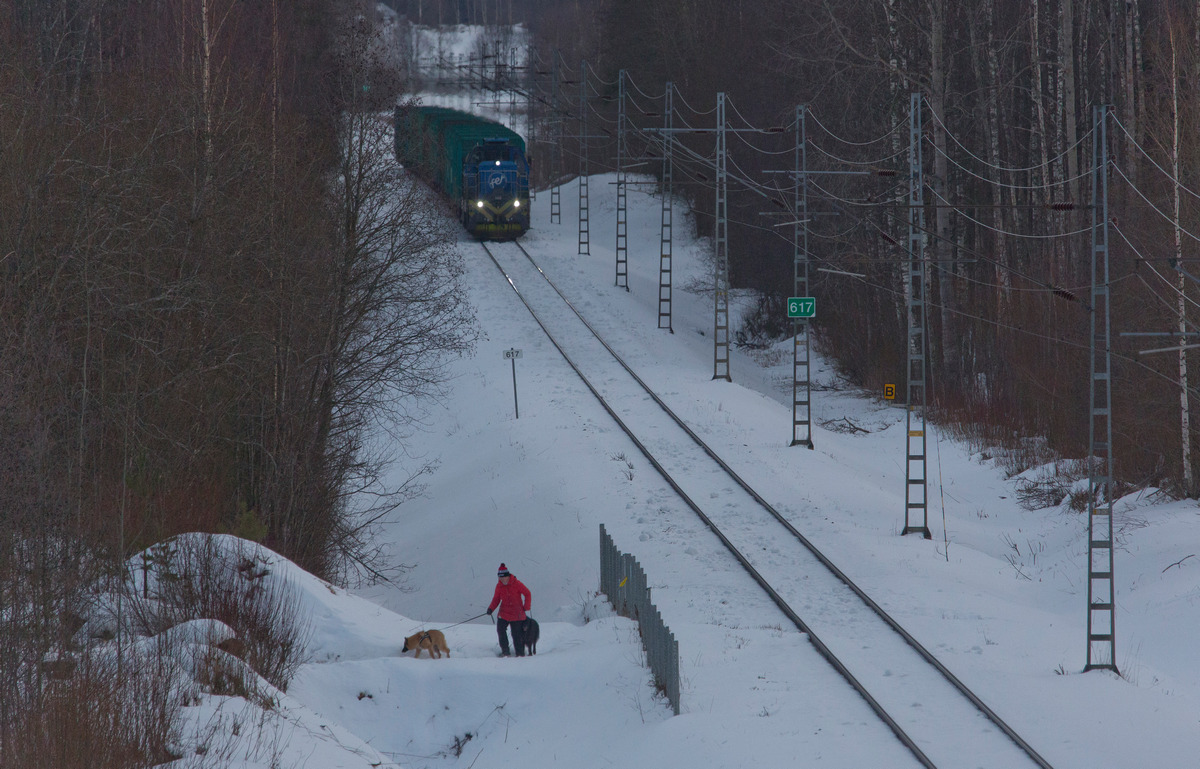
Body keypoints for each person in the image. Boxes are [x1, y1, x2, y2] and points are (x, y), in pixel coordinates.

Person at [486, 563, 531, 657]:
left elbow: (527, 593)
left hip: (516, 614)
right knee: (500, 630)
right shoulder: (499, 586)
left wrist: (526, 607)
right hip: (504, 613)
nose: (501, 579)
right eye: (500, 577)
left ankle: (520, 655)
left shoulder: (517, 583)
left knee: (516, 635)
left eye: (503, 577)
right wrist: (491, 608)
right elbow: (496, 599)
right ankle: (505, 651)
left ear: (507, 576)